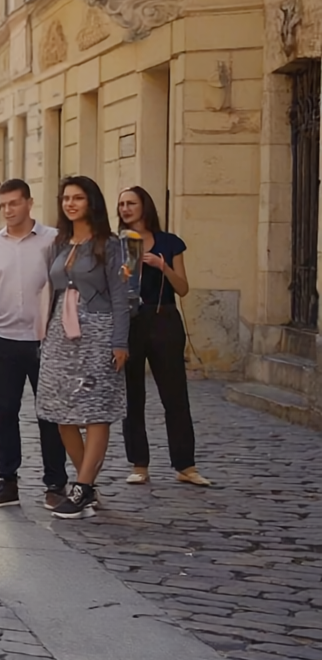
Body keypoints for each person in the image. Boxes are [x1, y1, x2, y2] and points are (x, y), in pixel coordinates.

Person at [40, 175, 131, 520]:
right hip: (60, 334)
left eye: (78, 198)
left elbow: (121, 296)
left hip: (98, 331)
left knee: (95, 408)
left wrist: (120, 342)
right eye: (66, 198)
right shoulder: (60, 242)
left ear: (91, 202)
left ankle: (82, 486)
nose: (70, 203)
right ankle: (86, 485)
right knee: (59, 409)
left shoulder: (110, 244)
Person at [0, 179, 66, 509]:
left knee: (49, 414)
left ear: (29, 203)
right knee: (4, 412)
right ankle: (7, 481)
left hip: (46, 340)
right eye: (3, 205)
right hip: (4, 340)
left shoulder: (53, 240)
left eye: (14, 203)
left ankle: (56, 482)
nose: (8, 211)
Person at [116, 186, 210, 488]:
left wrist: (162, 266)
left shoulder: (169, 243)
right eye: (121, 204)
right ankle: (139, 463)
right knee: (133, 395)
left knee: (175, 394)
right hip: (130, 321)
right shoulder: (116, 244)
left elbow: (182, 288)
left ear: (145, 206)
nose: (126, 209)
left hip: (164, 318)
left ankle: (186, 465)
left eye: (131, 203)